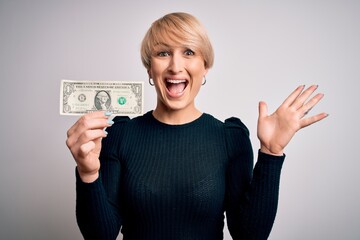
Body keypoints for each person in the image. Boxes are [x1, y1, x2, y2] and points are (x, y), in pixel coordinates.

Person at [66, 12, 327, 240]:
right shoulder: (120, 134)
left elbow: (250, 235)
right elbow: (100, 235)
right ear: (149, 68)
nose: (175, 66)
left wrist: (271, 153)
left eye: (188, 52)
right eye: (163, 53)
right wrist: (88, 174)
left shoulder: (230, 138)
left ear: (205, 67)